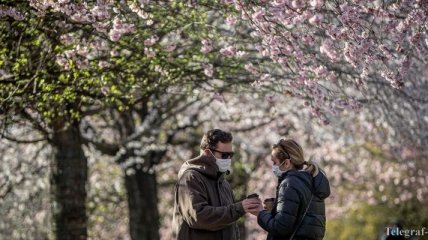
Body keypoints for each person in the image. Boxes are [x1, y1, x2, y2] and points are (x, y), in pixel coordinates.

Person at [173, 129, 261, 240]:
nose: (228, 159)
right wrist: (238, 208)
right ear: (207, 153)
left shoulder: (223, 183)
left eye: (231, 154)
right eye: (224, 155)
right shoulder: (190, 178)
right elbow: (199, 217)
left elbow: (231, 224)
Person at [249, 139, 331, 240]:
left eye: (274, 162)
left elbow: (280, 228)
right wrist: (275, 208)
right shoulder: (310, 180)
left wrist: (260, 213)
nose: (273, 167)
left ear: (287, 163)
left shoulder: (289, 184)